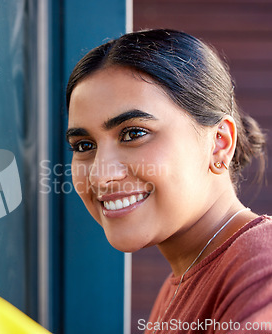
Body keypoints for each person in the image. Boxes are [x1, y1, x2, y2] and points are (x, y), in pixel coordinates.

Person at [65, 29, 271, 333]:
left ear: (219, 143)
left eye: (134, 133)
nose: (100, 174)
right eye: (84, 146)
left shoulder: (261, 267)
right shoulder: (181, 282)